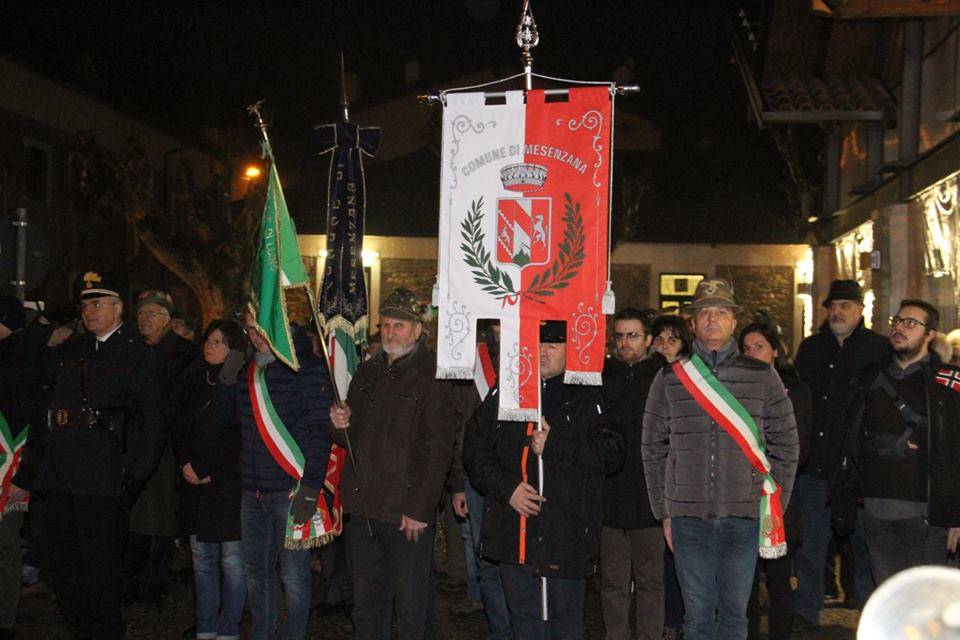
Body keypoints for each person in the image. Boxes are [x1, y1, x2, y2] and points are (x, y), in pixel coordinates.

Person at [643, 278, 798, 640]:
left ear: (733, 322)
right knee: (695, 617)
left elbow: (787, 443)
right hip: (687, 518)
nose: (712, 319)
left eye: (722, 312)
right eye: (704, 313)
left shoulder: (763, 376)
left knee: (734, 616)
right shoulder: (669, 379)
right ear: (693, 323)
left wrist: (775, 504)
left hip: (743, 516)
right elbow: (652, 447)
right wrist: (663, 510)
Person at [464, 320, 625, 639]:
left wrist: (557, 445)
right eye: (537, 345)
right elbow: (475, 449)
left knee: (565, 623)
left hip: (567, 535)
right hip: (516, 533)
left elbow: (613, 453)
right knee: (524, 622)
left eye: (552, 346)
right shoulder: (507, 392)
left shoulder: (589, 396)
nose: (542, 353)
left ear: (570, 351)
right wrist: (506, 489)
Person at [34, 271, 165, 640]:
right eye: (85, 304)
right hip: (62, 471)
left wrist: (134, 476)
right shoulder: (75, 349)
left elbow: (153, 421)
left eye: (97, 303)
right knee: (62, 562)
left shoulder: (137, 352)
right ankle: (80, 628)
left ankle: (104, 632)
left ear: (117, 307)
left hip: (104, 473)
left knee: (100, 567)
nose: (88, 311)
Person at [328, 288, 458, 640]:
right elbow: (349, 439)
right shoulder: (368, 372)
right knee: (367, 606)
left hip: (405, 516)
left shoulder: (434, 375)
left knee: (412, 609)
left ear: (418, 330)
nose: (390, 333)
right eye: (385, 325)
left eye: (399, 326)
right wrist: (340, 424)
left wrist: (418, 508)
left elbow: (437, 449)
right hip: (364, 510)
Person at [221, 310, 334, 640]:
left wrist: (311, 486)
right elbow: (228, 421)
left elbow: (318, 432)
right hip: (252, 491)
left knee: (295, 575)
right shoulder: (248, 370)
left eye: (262, 330)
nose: (255, 337)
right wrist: (228, 379)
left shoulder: (306, 368)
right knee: (256, 572)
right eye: (250, 330)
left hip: (291, 488)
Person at [792, 280, 889, 627]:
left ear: (860, 310)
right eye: (833, 306)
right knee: (811, 544)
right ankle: (806, 610)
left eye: (846, 305)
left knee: (866, 546)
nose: (837, 312)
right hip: (816, 465)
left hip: (859, 470)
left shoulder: (878, 349)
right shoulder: (812, 348)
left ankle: (870, 615)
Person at [844, 300, 960, 583]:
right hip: (876, 508)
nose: (899, 328)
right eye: (897, 321)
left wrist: (956, 515)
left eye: (911, 323)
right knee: (887, 596)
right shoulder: (869, 378)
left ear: (930, 334)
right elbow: (852, 438)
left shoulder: (948, 383)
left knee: (928, 599)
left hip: (928, 513)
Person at [173, 320, 246, 640]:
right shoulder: (191, 379)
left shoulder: (242, 383)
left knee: (231, 561)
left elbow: (240, 436)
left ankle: (229, 625)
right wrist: (187, 464)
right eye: (209, 340)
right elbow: (177, 426)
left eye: (220, 342)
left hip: (227, 484)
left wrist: (210, 469)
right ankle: (206, 624)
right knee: (202, 559)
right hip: (194, 483)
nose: (211, 346)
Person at [738, 322, 812, 640]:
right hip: (742, 496)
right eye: (746, 348)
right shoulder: (734, 391)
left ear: (775, 351)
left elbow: (801, 445)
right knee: (745, 581)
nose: (752, 354)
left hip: (780, 498)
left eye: (760, 347)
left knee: (780, 578)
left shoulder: (795, 391)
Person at [126, 289, 198, 605]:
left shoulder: (184, 353)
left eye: (152, 314)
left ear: (167, 319)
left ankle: (156, 580)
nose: (145, 320)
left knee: (160, 517)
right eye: (141, 314)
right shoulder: (134, 349)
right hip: (137, 443)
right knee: (137, 516)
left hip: (166, 446)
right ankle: (136, 578)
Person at [600, 308, 667, 640]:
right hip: (611, 497)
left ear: (649, 340)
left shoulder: (663, 377)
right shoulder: (602, 376)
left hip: (649, 499)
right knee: (613, 580)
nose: (625, 342)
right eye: (620, 335)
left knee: (650, 581)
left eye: (633, 335)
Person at [648, 313, 692, 639]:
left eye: (671, 340)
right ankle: (667, 618)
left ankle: (682, 618)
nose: (664, 346)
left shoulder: (691, 380)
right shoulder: (648, 377)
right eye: (659, 339)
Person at [0, 296, 28, 640]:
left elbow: (32, 421)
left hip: (13, 468)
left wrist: (26, 476)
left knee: (6, 545)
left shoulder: (22, 360)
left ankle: (5, 617)